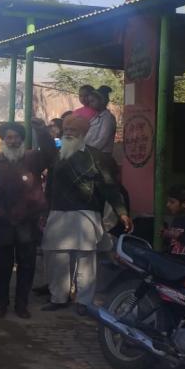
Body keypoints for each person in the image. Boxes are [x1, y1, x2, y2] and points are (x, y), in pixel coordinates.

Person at [41, 114, 132, 315]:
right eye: (66, 130)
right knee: (57, 260)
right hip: (58, 213)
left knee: (86, 262)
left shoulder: (97, 157)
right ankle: (58, 298)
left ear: (83, 133)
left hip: (86, 214)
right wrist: (44, 211)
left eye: (73, 130)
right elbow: (50, 187)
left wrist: (122, 212)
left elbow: (110, 187)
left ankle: (84, 302)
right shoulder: (57, 155)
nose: (68, 133)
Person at [0, 121, 56, 320]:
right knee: (2, 265)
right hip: (3, 221)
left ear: (22, 139)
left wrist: (42, 131)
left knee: (27, 265)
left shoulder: (33, 158)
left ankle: (21, 304)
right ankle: (1, 303)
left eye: (16, 137)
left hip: (28, 221)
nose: (13, 140)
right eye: (8, 137)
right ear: (3, 140)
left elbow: (51, 154)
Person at [85, 87, 116, 154]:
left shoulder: (108, 118)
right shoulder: (95, 118)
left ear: (102, 100)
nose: (90, 104)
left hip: (102, 156)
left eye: (92, 101)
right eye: (89, 102)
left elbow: (102, 139)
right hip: (91, 153)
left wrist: (88, 151)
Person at [164, 186, 185, 259]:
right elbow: (172, 244)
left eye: (172, 202)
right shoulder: (177, 219)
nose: (167, 205)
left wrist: (179, 235)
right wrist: (167, 235)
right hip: (174, 261)